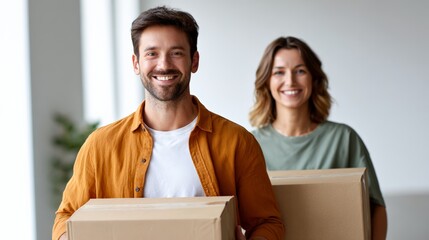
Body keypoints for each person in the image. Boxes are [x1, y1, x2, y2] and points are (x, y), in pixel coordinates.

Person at [52, 6, 284, 240]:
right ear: (136, 63)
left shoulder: (237, 142)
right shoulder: (100, 146)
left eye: (176, 53)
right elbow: (66, 218)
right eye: (152, 53)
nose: (164, 65)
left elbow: (267, 223)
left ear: (194, 61)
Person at [249, 36, 387, 239]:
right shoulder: (250, 145)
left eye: (300, 71)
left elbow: (376, 207)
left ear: (314, 78)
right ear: (266, 81)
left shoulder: (343, 139)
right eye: (279, 72)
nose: (290, 81)